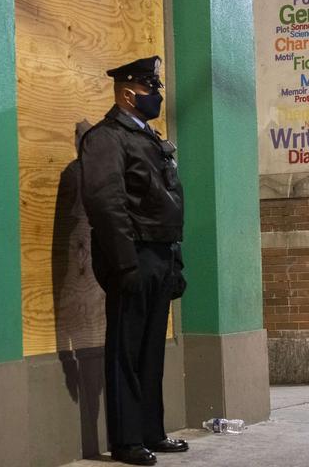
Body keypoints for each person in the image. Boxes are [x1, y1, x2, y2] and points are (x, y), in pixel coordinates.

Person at [79, 56, 187, 466]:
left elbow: (166, 204)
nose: (157, 95)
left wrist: (175, 261)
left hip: (159, 255)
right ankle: (125, 441)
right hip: (133, 255)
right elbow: (106, 205)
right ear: (128, 93)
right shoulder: (107, 138)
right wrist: (124, 264)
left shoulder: (149, 138)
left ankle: (150, 432)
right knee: (125, 349)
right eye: (150, 88)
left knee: (150, 350)